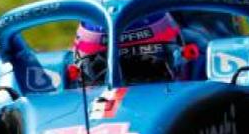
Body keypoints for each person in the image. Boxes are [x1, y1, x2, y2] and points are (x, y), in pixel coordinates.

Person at [70, 12, 200, 85]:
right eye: (100, 70)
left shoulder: (205, 67)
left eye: (143, 69)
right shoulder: (57, 79)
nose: (124, 86)